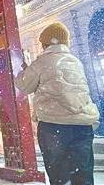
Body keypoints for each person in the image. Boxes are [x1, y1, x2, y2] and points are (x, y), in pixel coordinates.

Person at [16, 22, 100, 185]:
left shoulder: (42, 62)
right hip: (82, 125)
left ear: (45, 44)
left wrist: (24, 71)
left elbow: (25, 86)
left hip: (54, 125)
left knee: (59, 175)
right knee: (83, 174)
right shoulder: (75, 61)